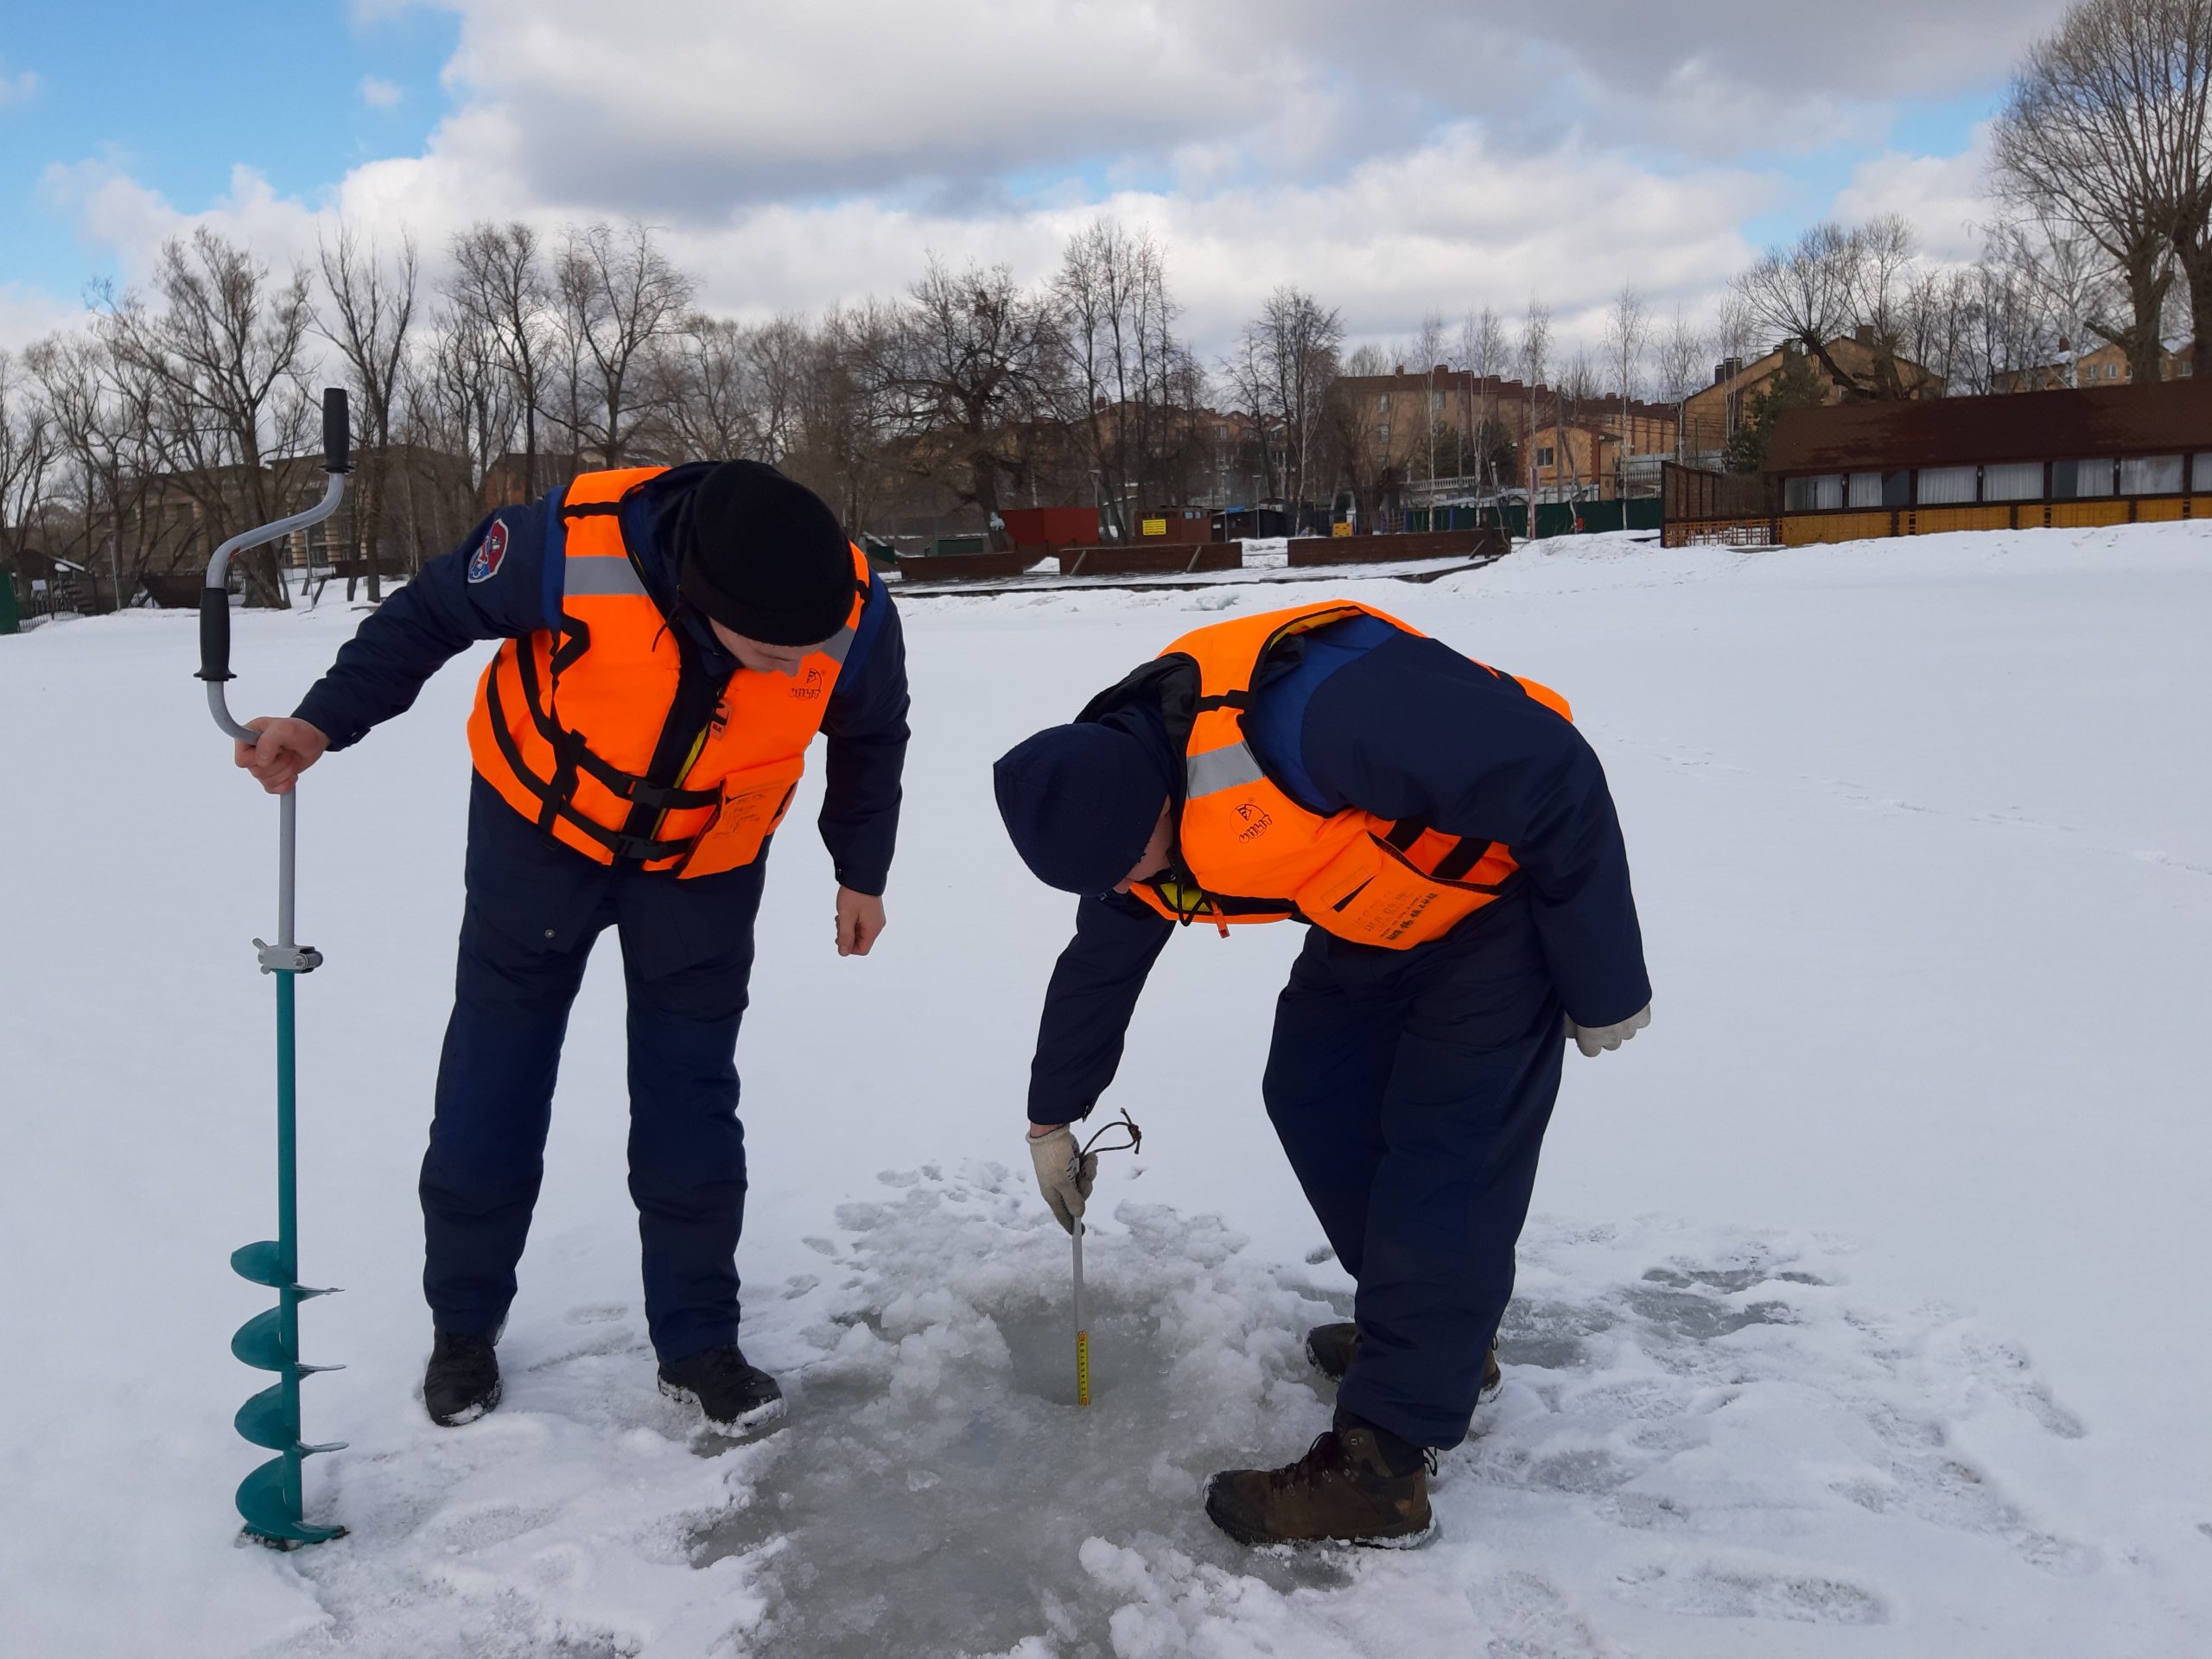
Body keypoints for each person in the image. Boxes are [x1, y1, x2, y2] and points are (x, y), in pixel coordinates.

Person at [235, 461, 908, 1433]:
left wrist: (861, 869)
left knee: (692, 1099)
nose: (784, 667)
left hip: (705, 862)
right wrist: (322, 719)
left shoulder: (847, 605)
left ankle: (699, 1344)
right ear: (699, 596)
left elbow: (872, 731)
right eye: (765, 651)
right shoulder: (566, 548)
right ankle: (463, 1330)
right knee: (493, 1082)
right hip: (538, 840)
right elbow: (429, 613)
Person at [994, 601, 1648, 1546]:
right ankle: (1425, 1340)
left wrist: (1604, 977)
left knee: (1442, 1155)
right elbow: (1103, 957)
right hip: (1380, 913)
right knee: (1312, 1088)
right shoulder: (1122, 796)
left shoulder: (1313, 715)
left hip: (1497, 909)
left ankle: (1382, 1466)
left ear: (1153, 799)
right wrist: (1049, 1118)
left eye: (1135, 863)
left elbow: (1552, 766)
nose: (1135, 886)